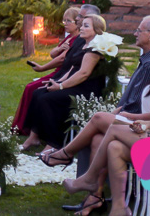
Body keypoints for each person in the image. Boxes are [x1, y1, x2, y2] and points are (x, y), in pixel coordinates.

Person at [63, 32, 150, 216]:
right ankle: (119, 208)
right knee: (114, 146)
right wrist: (145, 126)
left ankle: (90, 178)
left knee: (114, 128)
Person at [41, 35, 150, 216]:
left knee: (98, 119)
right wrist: (124, 112)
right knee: (99, 139)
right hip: (143, 127)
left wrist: (128, 115)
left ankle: (66, 155)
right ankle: (97, 198)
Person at [23, 14, 107, 151]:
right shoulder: (81, 42)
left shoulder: (95, 49)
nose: (81, 27)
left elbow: (83, 73)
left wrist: (61, 86)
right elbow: (72, 67)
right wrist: (57, 81)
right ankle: (34, 137)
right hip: (74, 83)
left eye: (86, 26)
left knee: (49, 99)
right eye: (82, 24)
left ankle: (54, 143)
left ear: (96, 30)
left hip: (86, 89)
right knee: (38, 93)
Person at [12, 6, 80, 135]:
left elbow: (61, 59)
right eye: (64, 20)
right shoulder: (69, 37)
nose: (64, 24)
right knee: (30, 87)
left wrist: (42, 68)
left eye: (68, 21)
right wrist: (59, 49)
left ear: (77, 23)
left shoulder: (77, 39)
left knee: (32, 88)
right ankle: (23, 126)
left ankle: (28, 128)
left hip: (63, 73)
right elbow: (53, 53)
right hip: (59, 71)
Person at [116, 15, 150, 114]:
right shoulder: (148, 59)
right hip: (127, 116)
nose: (135, 34)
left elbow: (137, 104)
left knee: (98, 119)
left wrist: (117, 115)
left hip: (133, 120)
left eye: (139, 31)